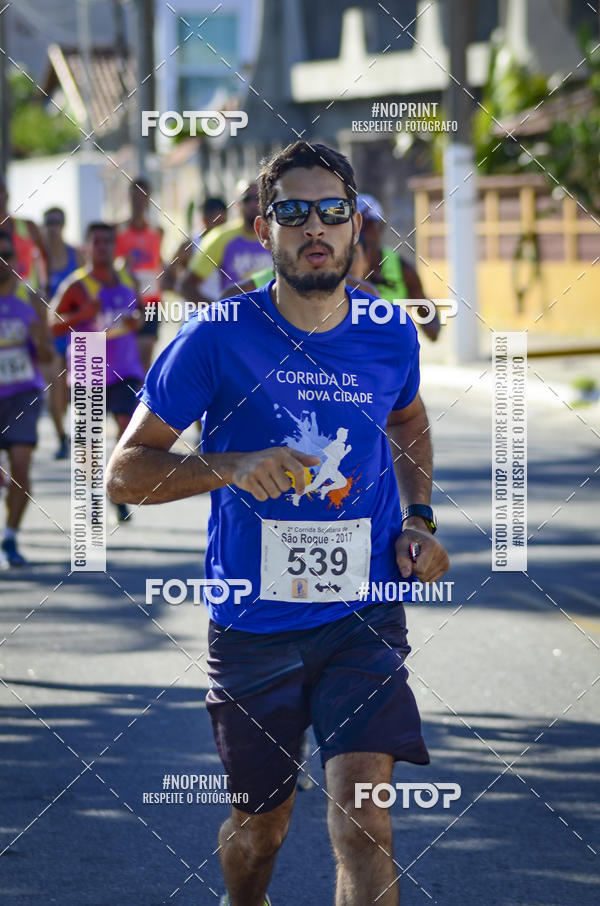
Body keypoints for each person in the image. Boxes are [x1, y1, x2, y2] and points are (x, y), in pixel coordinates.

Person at [106, 140, 450, 906]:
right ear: (264, 230)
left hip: (362, 613)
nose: (315, 226)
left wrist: (420, 517)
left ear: (356, 225)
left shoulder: (388, 330)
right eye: (294, 212)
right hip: (254, 626)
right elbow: (124, 473)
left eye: (333, 210)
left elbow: (408, 420)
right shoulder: (215, 336)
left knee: (365, 820)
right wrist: (228, 465)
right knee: (261, 830)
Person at [52, 222, 145, 522]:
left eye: (107, 241)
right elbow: (52, 325)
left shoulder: (128, 280)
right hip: (89, 364)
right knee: (91, 443)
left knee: (128, 429)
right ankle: (95, 497)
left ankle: (115, 484)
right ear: (87, 247)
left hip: (125, 367)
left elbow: (140, 315)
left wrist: (136, 322)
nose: (102, 247)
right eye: (96, 241)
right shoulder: (76, 285)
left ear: (114, 246)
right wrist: (81, 314)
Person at [0, 229, 54, 566]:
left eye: (6, 255)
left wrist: (38, 341)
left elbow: (48, 356)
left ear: (14, 261)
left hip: (22, 394)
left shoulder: (30, 299)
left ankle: (10, 537)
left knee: (21, 466)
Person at [357, 193, 442, 342]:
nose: (362, 232)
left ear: (380, 227)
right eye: (357, 226)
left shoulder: (400, 267)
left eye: (368, 225)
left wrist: (430, 324)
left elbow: (423, 304)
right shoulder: (339, 267)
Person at [180, 181, 272, 304]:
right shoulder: (220, 237)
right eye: (246, 199)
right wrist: (219, 310)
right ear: (237, 204)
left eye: (258, 198)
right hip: (237, 313)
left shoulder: (277, 235)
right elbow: (187, 286)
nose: (253, 204)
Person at [43, 207, 84, 459]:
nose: (52, 227)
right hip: (51, 331)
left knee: (79, 386)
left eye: (57, 222)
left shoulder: (75, 256)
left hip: (75, 328)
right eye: (48, 222)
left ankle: (81, 437)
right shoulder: (40, 258)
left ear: (63, 225)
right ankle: (61, 438)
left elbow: (87, 287)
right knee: (55, 385)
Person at [114, 178, 163, 371]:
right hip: (126, 301)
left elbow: (159, 262)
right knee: (123, 355)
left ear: (149, 199)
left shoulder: (157, 232)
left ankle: (142, 390)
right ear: (128, 198)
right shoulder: (118, 231)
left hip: (151, 301)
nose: (139, 201)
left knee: (146, 353)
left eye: (143, 197)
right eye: (135, 196)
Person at [0, 176, 46, 290]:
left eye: (1, 190)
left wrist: (45, 286)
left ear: (7, 194)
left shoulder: (29, 226)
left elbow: (45, 257)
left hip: (26, 296)